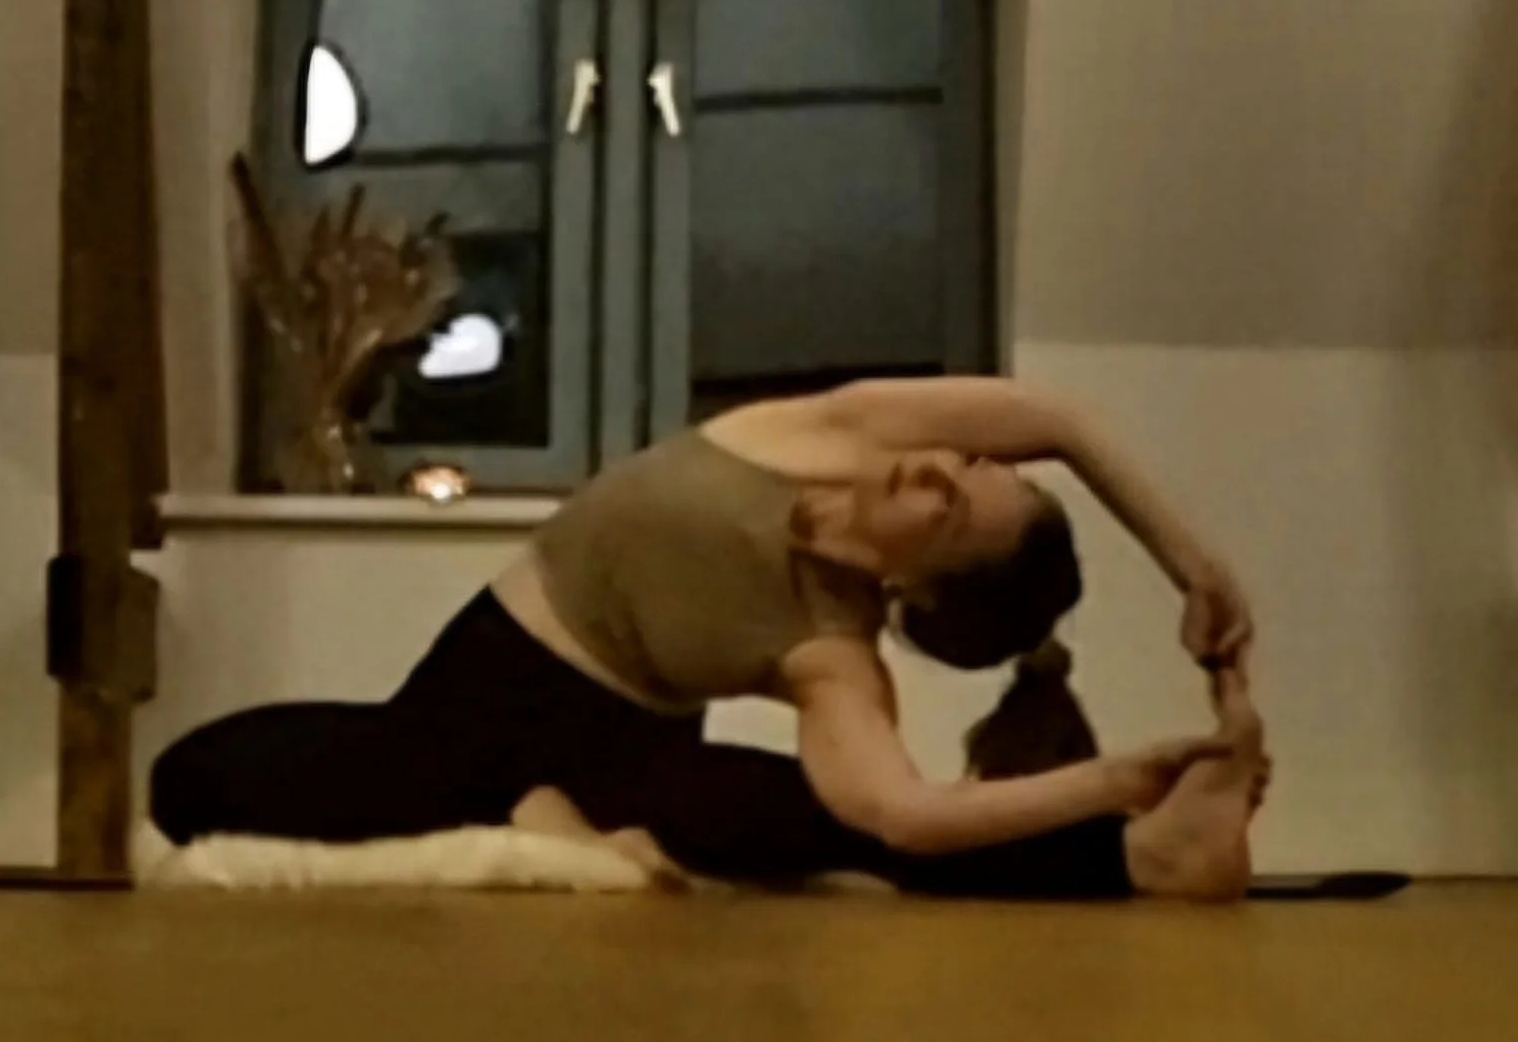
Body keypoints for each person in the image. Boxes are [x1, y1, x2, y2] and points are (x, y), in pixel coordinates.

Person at [151, 377, 1268, 900]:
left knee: (808, 818)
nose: (936, 467)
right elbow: (1064, 420)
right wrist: (1192, 565)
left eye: (949, 510)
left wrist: (1116, 785)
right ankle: (534, 818)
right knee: (194, 774)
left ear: (917, 591)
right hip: (468, 710)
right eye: (970, 467)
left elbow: (907, 815)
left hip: (615, 758)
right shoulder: (832, 432)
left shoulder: (831, 651)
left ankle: (1143, 857)